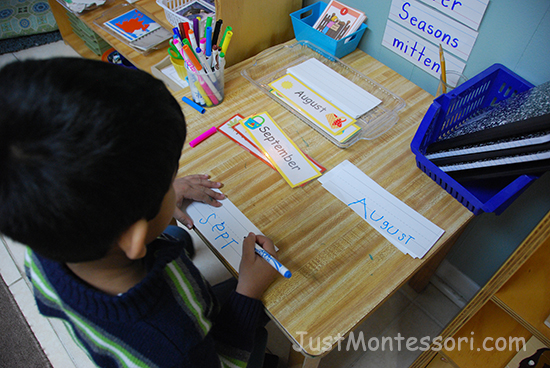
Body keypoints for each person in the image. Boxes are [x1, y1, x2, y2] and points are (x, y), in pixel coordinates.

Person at [0, 57, 278, 367]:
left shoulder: (44, 242)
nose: (175, 184)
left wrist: (154, 201)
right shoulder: (173, 346)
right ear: (134, 237)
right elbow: (222, 361)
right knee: (264, 326)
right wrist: (247, 294)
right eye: (167, 183)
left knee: (173, 237)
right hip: (208, 350)